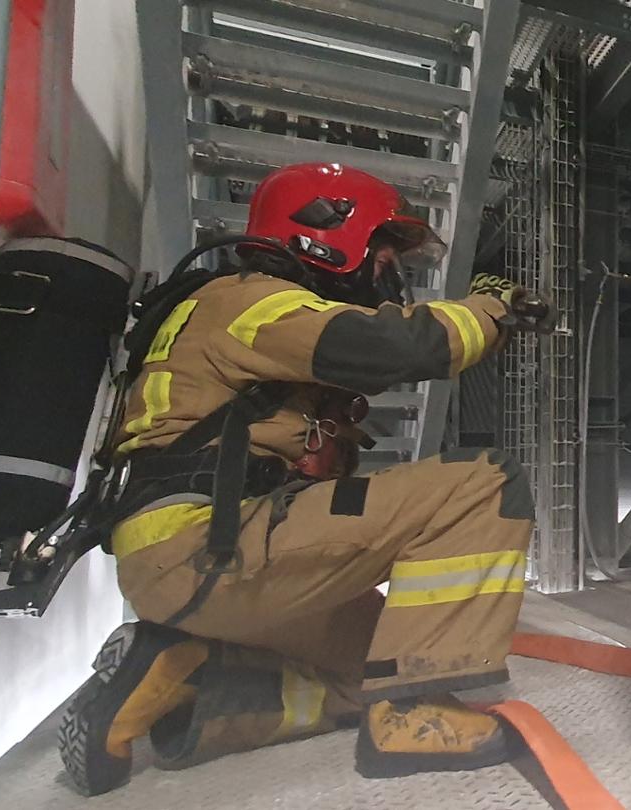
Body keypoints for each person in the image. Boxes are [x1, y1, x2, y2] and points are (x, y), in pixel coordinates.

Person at [61, 163, 542, 794]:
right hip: (210, 547)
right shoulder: (250, 301)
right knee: (484, 483)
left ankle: (182, 684)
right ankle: (410, 717)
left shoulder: (223, 312)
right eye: (382, 252)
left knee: (373, 669)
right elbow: (392, 349)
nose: (389, 274)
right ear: (324, 235)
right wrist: (491, 310)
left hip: (191, 557)